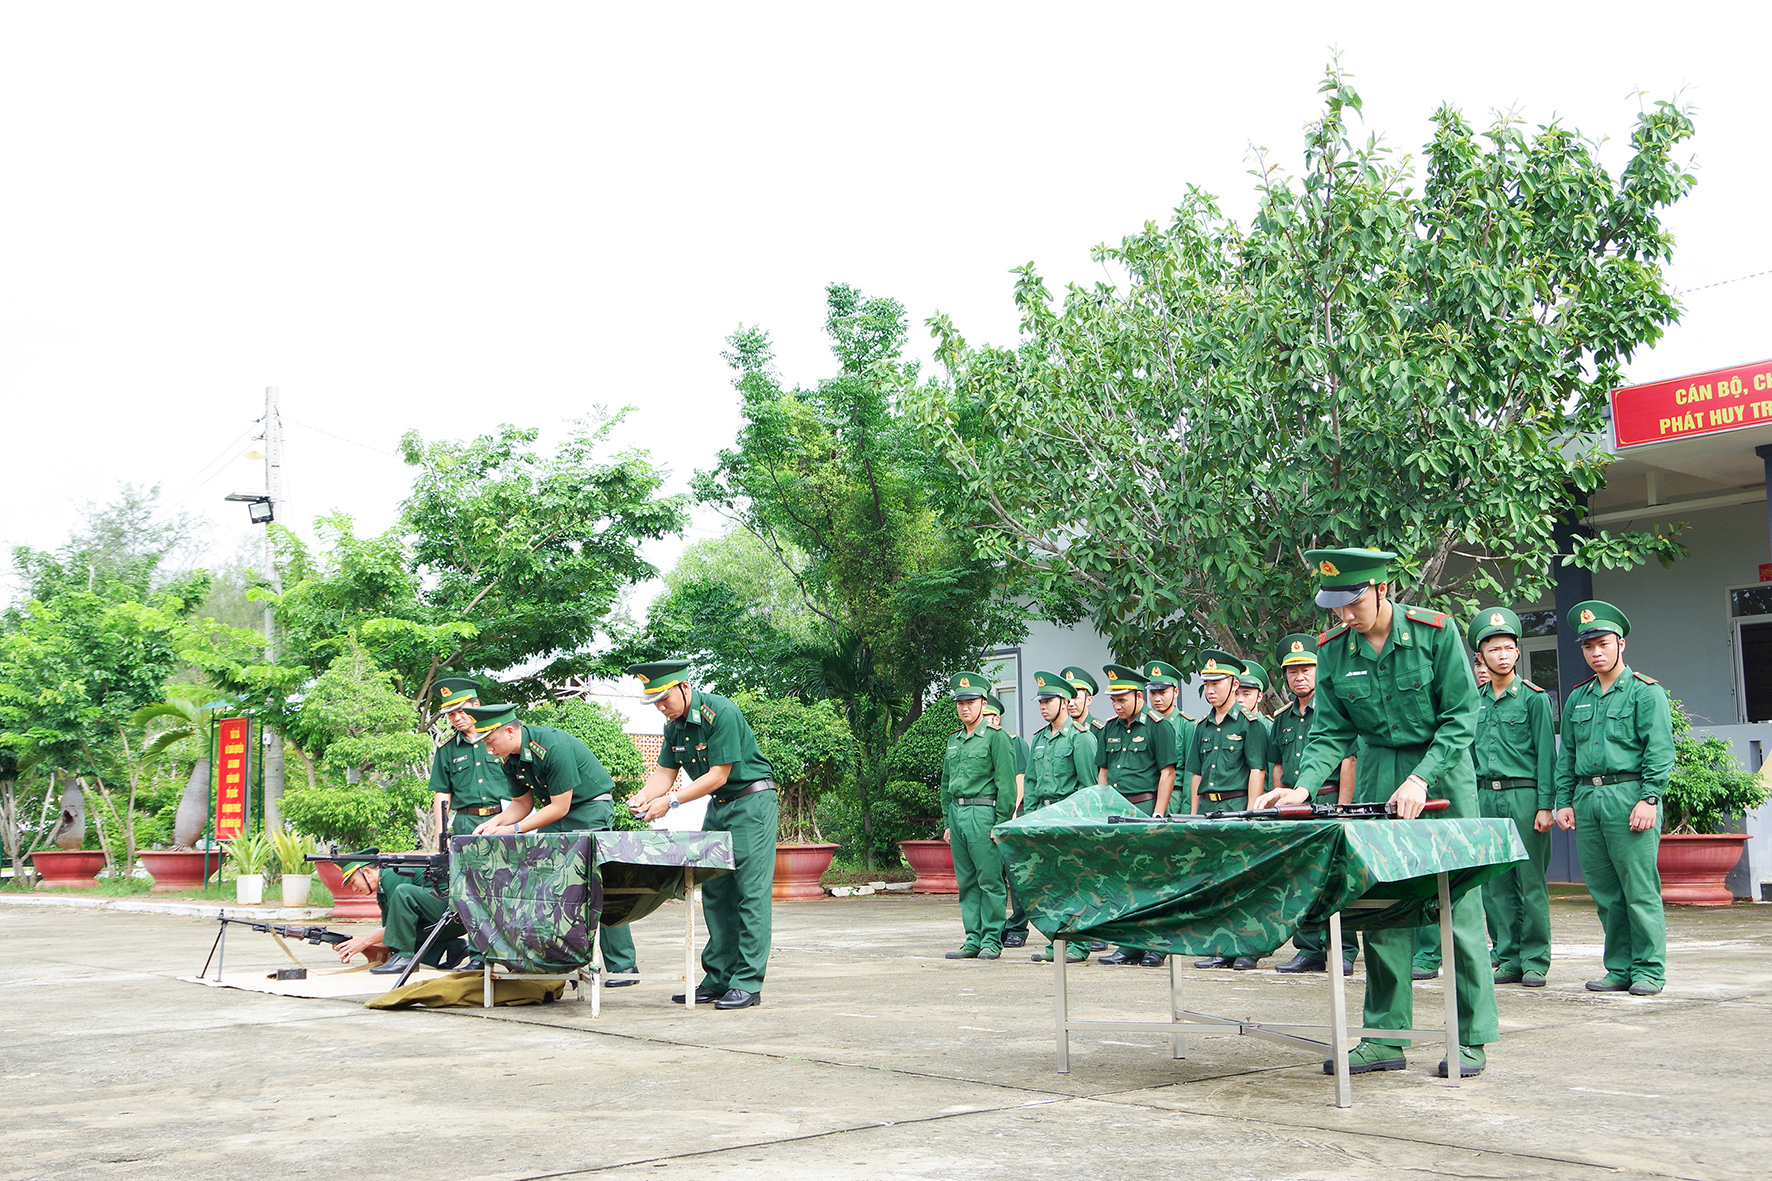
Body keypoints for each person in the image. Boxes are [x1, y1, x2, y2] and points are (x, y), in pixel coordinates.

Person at [1290, 547, 1498, 1079]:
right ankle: (1385, 1039)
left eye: (1352, 602)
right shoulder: (1335, 649)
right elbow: (1331, 730)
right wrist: (1303, 786)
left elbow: (1460, 716)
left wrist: (1422, 778)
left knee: (1460, 909)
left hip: (1443, 775)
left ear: (1383, 589)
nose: (1343, 615)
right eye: (1334, 607)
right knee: (1382, 909)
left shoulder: (1435, 633)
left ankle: (1470, 1039)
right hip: (1381, 776)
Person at [627, 660, 778, 1009]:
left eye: (665, 699)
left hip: (751, 803)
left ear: (684, 686)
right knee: (714, 890)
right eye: (655, 703)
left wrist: (672, 802)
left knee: (749, 893)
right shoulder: (673, 728)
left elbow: (718, 775)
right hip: (720, 807)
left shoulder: (719, 711)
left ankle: (747, 983)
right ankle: (719, 978)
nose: (661, 708)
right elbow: (664, 774)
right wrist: (644, 796)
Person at [466, 701, 640, 986]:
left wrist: (515, 830)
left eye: (490, 740)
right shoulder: (510, 758)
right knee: (549, 886)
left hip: (588, 809)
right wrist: (495, 824)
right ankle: (563, 962)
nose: (488, 749)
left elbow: (561, 806)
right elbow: (522, 803)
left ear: (509, 731)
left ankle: (623, 966)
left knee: (592, 883)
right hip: (554, 811)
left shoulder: (551, 747)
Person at [1553, 600, 1673, 997]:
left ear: (1621, 643)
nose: (1596, 652)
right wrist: (1564, 800)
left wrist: (1650, 798)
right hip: (1588, 798)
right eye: (1588, 647)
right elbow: (1566, 753)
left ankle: (1649, 969)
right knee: (1605, 892)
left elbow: (1659, 750)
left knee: (1638, 889)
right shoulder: (1578, 697)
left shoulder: (1645, 693)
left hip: (1629, 796)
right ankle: (1619, 967)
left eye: (1603, 643)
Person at [1468, 608, 1557, 988]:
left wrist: (1545, 805)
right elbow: (1468, 756)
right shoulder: (1475, 702)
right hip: (1486, 797)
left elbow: (1546, 756)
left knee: (1530, 882)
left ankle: (1535, 959)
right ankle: (1507, 956)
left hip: (1524, 798)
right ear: (1481, 657)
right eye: (1494, 649)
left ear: (1518, 652)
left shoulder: (1534, 699)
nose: (1502, 655)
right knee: (1495, 884)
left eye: (1508, 648)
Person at [1261, 634, 1359, 975]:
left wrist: (1344, 807)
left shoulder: (1334, 711)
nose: (1298, 677)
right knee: (1299, 878)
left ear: (1319, 671)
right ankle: (1309, 949)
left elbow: (1349, 760)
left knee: (1335, 878)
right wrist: (1278, 806)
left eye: (1306, 669)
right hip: (1294, 807)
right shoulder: (1282, 718)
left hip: (1331, 800)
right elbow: (1277, 766)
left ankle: (1342, 949)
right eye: (1292, 672)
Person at [1187, 650, 1272, 970]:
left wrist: (1251, 812)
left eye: (1217, 682)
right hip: (1209, 807)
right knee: (1215, 880)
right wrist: (1194, 814)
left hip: (1237, 806)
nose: (1210, 689)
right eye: (1206, 683)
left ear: (1234, 684)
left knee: (1244, 879)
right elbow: (1195, 774)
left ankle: (1248, 946)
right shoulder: (1202, 726)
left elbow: (1256, 771)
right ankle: (1222, 946)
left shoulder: (1251, 724)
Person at [1096, 663, 1180, 967]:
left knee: (1151, 879)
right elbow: (1102, 773)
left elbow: (1167, 773)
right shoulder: (1109, 729)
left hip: (1144, 808)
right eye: (1114, 700)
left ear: (1138, 696)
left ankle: (1157, 944)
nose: (1117, 706)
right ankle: (1128, 944)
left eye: (1123, 700)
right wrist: (1104, 809)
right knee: (1122, 879)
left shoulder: (1158, 726)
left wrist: (1158, 814)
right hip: (1117, 810)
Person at [936, 671, 1018, 960]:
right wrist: (947, 822)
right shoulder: (954, 740)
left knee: (990, 880)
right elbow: (946, 784)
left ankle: (992, 939)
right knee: (966, 880)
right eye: (960, 703)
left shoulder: (996, 738)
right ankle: (972, 937)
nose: (965, 707)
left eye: (971, 702)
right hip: (958, 814)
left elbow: (1006, 785)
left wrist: (1001, 823)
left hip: (983, 813)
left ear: (984, 704)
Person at [1021, 670, 1099, 963]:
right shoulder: (1039, 739)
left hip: (1069, 821)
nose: (1043, 706)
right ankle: (1057, 942)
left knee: (1075, 883)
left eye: (1048, 700)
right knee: (1050, 886)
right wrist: (1028, 819)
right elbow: (1031, 784)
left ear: (1065, 702)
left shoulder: (1081, 739)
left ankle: (1078, 945)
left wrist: (1078, 823)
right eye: (1040, 701)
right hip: (1043, 819)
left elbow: (1088, 787)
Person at [426, 678, 506, 838]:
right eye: (451, 714)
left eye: (461, 711)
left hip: (505, 817)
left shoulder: (500, 737)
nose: (457, 718)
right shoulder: (446, 747)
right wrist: (440, 833)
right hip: (466, 823)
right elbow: (442, 792)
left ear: (476, 705)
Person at [985, 692, 1033, 949]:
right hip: (986, 815)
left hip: (1011, 815)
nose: (987, 722)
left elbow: (1019, 780)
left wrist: (1011, 814)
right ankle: (995, 927)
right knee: (993, 874)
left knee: (1015, 875)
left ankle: (1017, 927)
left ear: (998, 718)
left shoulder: (1014, 743)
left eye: (990, 717)